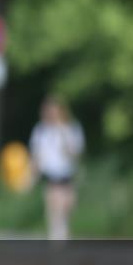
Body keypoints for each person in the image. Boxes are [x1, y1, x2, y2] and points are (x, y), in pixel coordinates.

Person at [29, 96, 84, 241]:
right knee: (54, 205)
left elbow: (75, 153)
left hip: (67, 173)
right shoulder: (41, 131)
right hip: (51, 174)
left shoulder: (71, 128)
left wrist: (62, 133)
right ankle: (57, 235)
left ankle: (61, 232)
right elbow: (37, 155)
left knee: (67, 206)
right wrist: (31, 176)